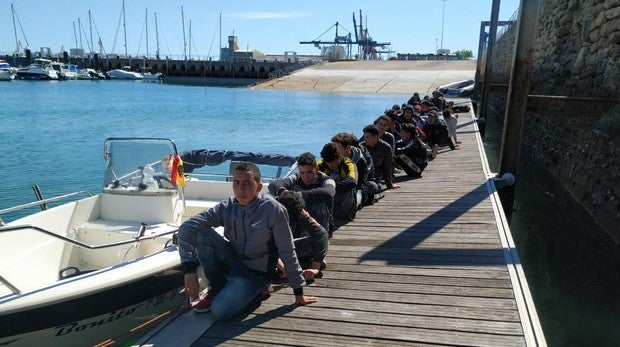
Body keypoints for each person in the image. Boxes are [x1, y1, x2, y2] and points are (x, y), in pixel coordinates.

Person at [178, 162, 317, 320]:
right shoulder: (227, 207)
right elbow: (186, 227)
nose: (240, 189)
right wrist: (189, 269)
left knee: (219, 312)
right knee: (201, 232)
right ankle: (217, 288)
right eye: (236, 183)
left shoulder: (274, 210)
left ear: (258, 187)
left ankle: (257, 294)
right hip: (234, 261)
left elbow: (287, 250)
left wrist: (298, 293)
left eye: (247, 184)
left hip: (256, 274)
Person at [268, 152, 336, 233]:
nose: (306, 177)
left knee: (318, 202)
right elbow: (273, 184)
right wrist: (284, 192)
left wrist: (298, 195)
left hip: (321, 225)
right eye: (302, 173)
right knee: (275, 198)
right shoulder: (296, 178)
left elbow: (329, 192)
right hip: (301, 220)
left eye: (309, 172)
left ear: (317, 169)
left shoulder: (327, 180)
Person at [275, 190, 328, 280]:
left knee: (312, 244)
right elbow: (263, 247)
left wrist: (315, 267)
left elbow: (321, 234)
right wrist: (284, 268)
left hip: (283, 249)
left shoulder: (297, 210)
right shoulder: (269, 212)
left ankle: (299, 267)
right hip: (259, 252)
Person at [331, 132, 379, 207]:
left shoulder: (360, 161)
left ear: (348, 148)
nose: (335, 151)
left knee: (371, 187)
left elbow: (358, 184)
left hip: (354, 187)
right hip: (338, 186)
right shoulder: (333, 156)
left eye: (339, 148)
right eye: (334, 148)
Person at [317, 142, 358, 221]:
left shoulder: (349, 163)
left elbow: (352, 181)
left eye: (333, 163)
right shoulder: (320, 164)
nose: (330, 166)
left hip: (345, 198)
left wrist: (329, 188)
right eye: (328, 164)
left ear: (339, 156)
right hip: (329, 197)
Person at [360, 124, 400, 191]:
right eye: (364, 137)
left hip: (374, 178)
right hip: (361, 177)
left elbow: (387, 168)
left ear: (375, 137)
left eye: (367, 137)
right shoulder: (361, 146)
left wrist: (389, 185)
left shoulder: (386, 147)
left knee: (374, 188)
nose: (364, 139)